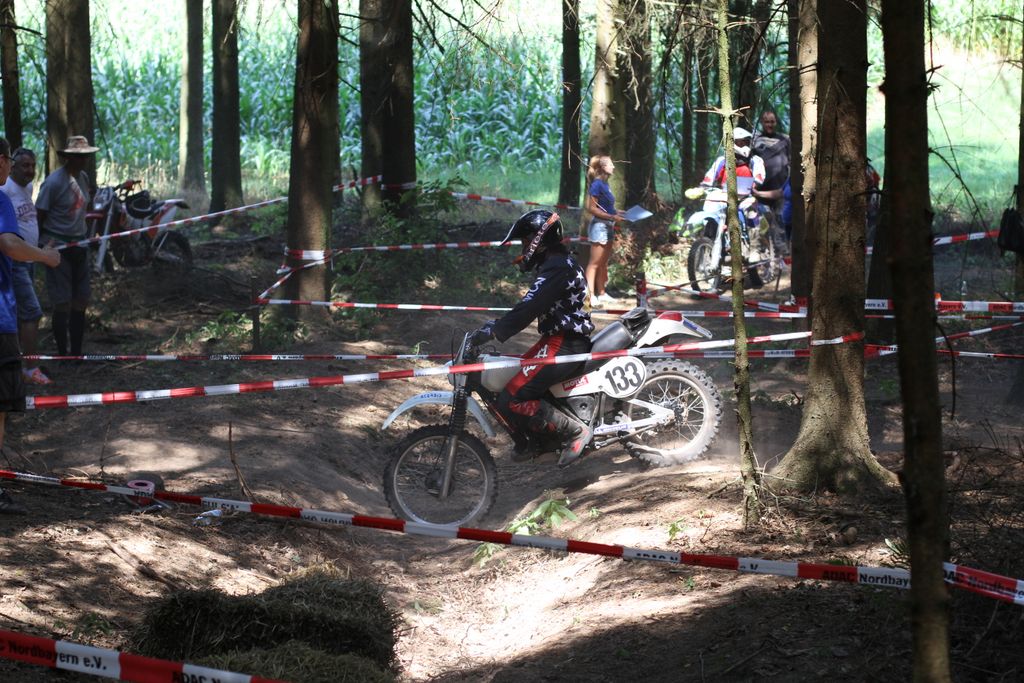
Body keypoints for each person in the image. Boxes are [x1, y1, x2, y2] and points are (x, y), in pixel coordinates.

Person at [470, 210, 595, 467]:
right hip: (557, 340)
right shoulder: (558, 263)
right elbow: (530, 304)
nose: (524, 248)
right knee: (514, 381)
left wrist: (495, 330)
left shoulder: (557, 267)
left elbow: (530, 306)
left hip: (564, 343)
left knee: (512, 398)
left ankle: (575, 432)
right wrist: (495, 326)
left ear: (539, 240)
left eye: (525, 242)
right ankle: (541, 441)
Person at [0, 137, 61, 514]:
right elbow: (9, 243)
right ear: (1, 162)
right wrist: (44, 256)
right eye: (9, 161)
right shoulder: (1, 198)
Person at [36, 135, 97, 357]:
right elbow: (39, 214)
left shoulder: (84, 178)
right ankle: (63, 354)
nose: (84, 160)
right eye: (79, 156)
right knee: (62, 302)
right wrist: (41, 247)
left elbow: (85, 210)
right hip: (57, 246)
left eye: (86, 156)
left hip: (80, 244)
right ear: (68, 157)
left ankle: (77, 353)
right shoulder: (53, 182)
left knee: (81, 299)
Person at [1, 148, 51, 385]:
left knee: (21, 313)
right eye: (24, 165)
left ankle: (18, 364)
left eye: (32, 165)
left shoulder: (28, 188)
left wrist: (38, 248)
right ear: (10, 165)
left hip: (29, 260)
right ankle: (31, 368)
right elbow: (9, 239)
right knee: (31, 311)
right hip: (15, 262)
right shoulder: (5, 190)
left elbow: (26, 221)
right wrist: (44, 256)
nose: (30, 170)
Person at [583, 155, 625, 306]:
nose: (613, 167)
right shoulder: (597, 184)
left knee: (603, 263)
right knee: (594, 263)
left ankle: (602, 293)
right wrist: (612, 216)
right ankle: (589, 297)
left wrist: (618, 213)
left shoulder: (605, 184)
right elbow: (592, 208)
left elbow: (606, 207)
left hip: (608, 226)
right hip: (599, 227)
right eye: (611, 164)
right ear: (602, 168)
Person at [751, 111, 791, 253]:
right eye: (767, 122)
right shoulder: (755, 141)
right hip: (759, 191)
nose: (770, 124)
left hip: (780, 190)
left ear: (776, 122)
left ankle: (782, 254)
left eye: (772, 121)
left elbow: (792, 161)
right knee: (760, 224)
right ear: (762, 122)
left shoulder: (785, 140)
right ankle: (761, 253)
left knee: (781, 221)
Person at [699, 127, 766, 192]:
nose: (745, 145)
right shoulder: (722, 160)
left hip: (747, 195)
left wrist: (753, 186)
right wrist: (703, 187)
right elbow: (709, 177)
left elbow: (759, 178)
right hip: (723, 194)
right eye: (741, 143)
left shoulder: (755, 160)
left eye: (746, 142)